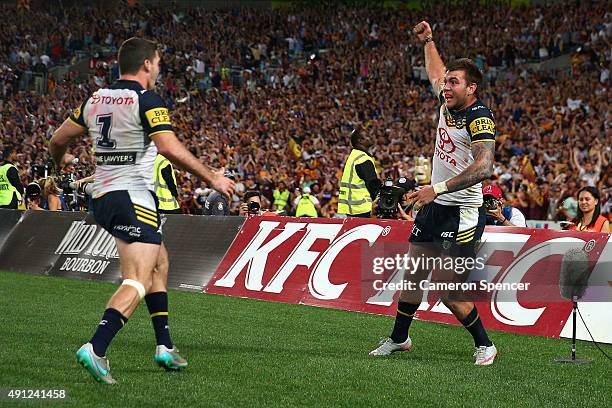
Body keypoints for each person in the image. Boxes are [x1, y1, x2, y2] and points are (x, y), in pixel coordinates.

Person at [49, 37, 235, 384]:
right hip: (133, 199)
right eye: (158, 63)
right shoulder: (146, 99)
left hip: (104, 198)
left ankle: (164, 345)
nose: (159, 69)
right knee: (137, 278)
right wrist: (212, 177)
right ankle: (97, 347)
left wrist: (61, 166)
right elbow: (167, 147)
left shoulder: (95, 99)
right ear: (147, 64)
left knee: (160, 262)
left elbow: (58, 140)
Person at [370, 21, 498, 365]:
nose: (446, 86)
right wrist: (428, 41)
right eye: (448, 82)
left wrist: (436, 188)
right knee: (413, 275)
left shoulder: (479, 117)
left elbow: (484, 167)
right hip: (434, 204)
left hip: (463, 212)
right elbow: (435, 73)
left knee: (449, 290)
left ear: (471, 88)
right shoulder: (446, 104)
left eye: (454, 82)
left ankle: (485, 344)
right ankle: (400, 338)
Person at [337, 127, 381, 218]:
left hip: (351, 209)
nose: (371, 137)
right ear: (360, 140)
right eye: (367, 136)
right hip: (364, 207)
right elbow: (373, 185)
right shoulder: (363, 159)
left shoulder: (353, 156)